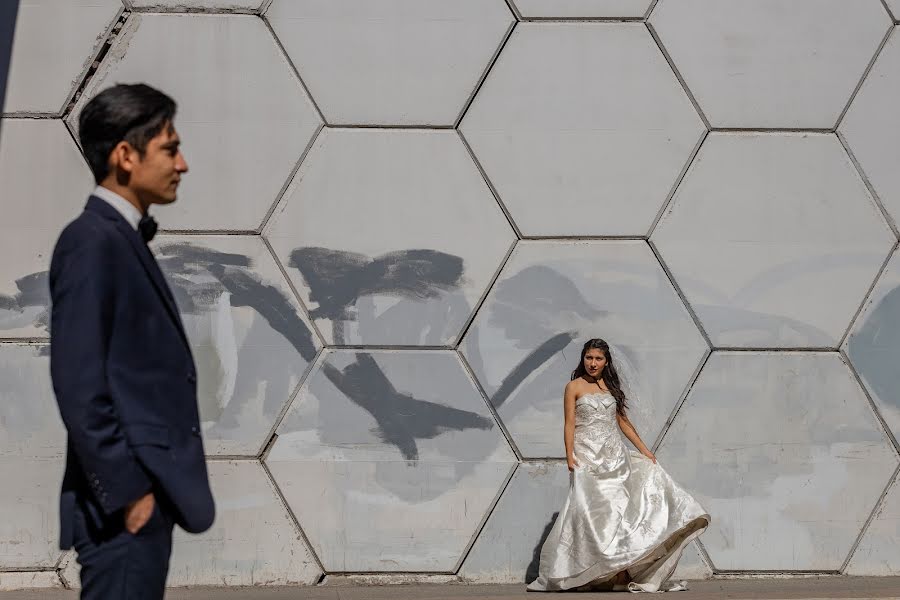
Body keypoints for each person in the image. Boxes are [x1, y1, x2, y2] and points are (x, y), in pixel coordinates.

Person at [49, 83, 214, 599]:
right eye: (169, 148)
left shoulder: (117, 238)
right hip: (124, 511)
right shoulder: (92, 242)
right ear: (125, 155)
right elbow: (79, 383)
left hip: (142, 503)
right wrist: (129, 492)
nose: (182, 164)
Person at [527, 338, 709, 593]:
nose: (593, 363)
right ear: (583, 358)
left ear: (606, 361)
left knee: (619, 515)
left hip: (616, 457)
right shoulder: (573, 387)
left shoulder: (610, 387)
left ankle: (621, 573)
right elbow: (569, 423)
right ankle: (586, 574)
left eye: (598, 358)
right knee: (589, 515)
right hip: (587, 458)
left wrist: (645, 451)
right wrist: (569, 455)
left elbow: (622, 422)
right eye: (589, 358)